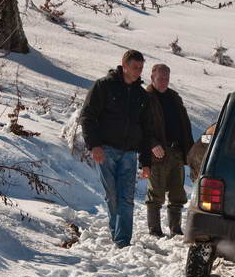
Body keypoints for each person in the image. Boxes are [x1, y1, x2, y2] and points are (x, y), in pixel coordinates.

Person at [79, 49, 161, 248]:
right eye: (135, 67)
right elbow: (87, 117)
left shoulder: (142, 95)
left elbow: (147, 130)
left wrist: (146, 162)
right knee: (113, 195)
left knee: (127, 197)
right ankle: (115, 232)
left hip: (130, 153)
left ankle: (123, 240)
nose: (138, 71)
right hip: (106, 150)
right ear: (124, 66)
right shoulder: (104, 86)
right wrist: (94, 145)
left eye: (141, 67)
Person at [145, 64, 194, 237]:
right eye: (160, 78)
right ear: (152, 78)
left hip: (177, 151)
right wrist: (152, 143)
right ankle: (155, 230)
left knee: (177, 193)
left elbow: (185, 125)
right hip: (158, 153)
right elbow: (141, 126)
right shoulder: (146, 98)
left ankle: (176, 229)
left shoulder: (174, 97)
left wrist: (189, 151)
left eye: (166, 78)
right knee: (156, 193)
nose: (164, 82)